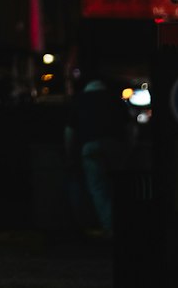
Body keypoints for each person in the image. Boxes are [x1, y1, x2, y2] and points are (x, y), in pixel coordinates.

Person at [64, 67, 131, 237]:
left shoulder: (80, 100)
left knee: (99, 189)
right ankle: (125, 225)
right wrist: (129, 147)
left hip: (90, 147)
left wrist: (70, 154)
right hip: (115, 145)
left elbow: (70, 132)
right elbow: (131, 127)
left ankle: (110, 228)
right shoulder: (114, 99)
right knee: (119, 186)